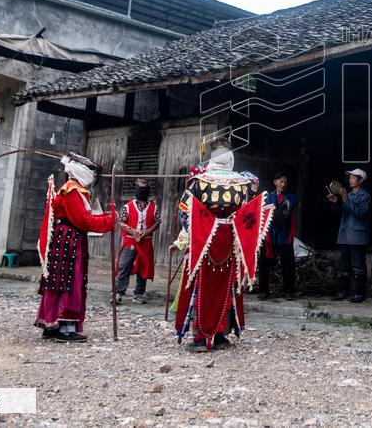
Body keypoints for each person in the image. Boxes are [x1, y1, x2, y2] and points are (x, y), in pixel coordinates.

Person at [174, 138, 273, 352]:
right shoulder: (243, 184)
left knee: (202, 287)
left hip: (204, 242)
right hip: (229, 242)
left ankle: (202, 336)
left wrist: (195, 233)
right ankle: (218, 334)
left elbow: (183, 211)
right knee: (225, 288)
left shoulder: (198, 182)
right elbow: (251, 214)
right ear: (230, 158)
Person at [35, 152, 115, 342]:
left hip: (65, 240)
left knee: (59, 281)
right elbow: (83, 220)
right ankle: (64, 326)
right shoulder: (72, 192)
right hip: (68, 243)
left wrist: (105, 218)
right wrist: (109, 220)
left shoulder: (72, 190)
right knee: (69, 281)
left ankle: (52, 324)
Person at [326, 168, 371, 303]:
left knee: (358, 266)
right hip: (345, 235)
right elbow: (341, 215)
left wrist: (345, 200)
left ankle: (359, 293)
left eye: (353, 177)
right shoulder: (349, 195)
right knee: (343, 266)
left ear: (361, 180)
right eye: (350, 177)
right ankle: (342, 291)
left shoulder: (365, 196)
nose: (350, 179)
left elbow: (359, 213)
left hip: (358, 237)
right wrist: (335, 203)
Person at [114, 178, 159, 305]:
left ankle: (139, 294)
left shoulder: (154, 208)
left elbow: (157, 222)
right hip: (130, 240)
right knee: (124, 265)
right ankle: (119, 292)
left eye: (145, 189)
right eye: (140, 189)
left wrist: (148, 231)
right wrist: (133, 232)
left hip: (146, 241)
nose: (142, 191)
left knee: (143, 266)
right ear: (137, 191)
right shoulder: (127, 207)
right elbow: (121, 223)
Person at [260, 172, 298, 300]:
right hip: (270, 235)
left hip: (284, 235)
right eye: (281, 181)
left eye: (285, 182)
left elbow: (285, 213)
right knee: (264, 264)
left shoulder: (291, 198)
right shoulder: (267, 197)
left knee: (288, 264)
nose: (283, 184)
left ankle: (289, 291)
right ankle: (263, 291)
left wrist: (276, 211)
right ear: (275, 182)